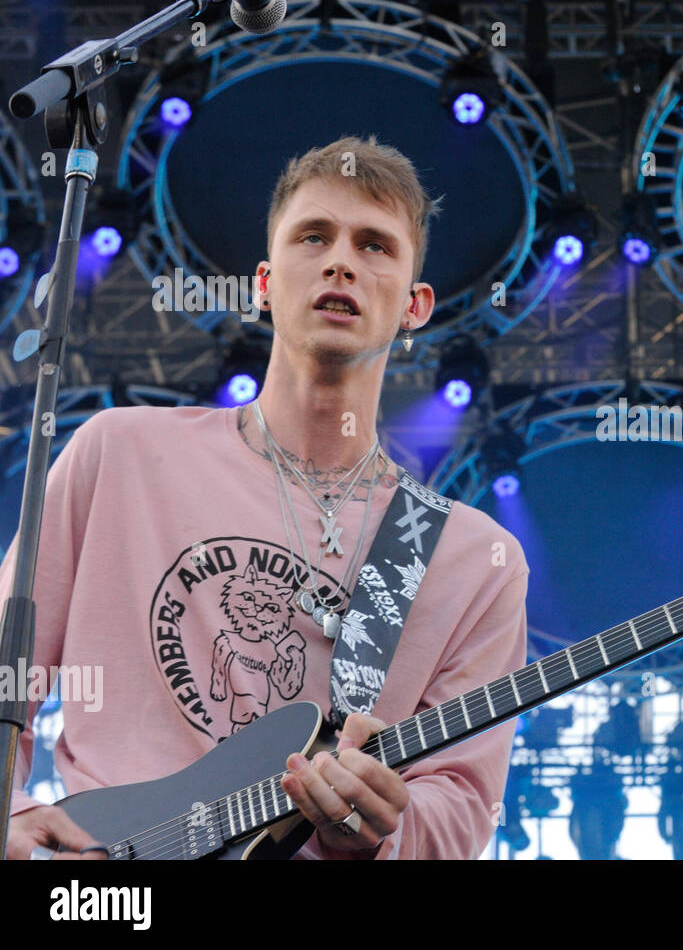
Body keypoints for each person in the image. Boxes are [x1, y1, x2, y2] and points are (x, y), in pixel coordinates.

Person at [2, 136, 528, 860]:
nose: (341, 259)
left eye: (375, 245)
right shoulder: (117, 453)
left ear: (415, 306)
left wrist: (381, 828)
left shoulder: (473, 559)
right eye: (313, 236)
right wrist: (14, 814)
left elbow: (463, 808)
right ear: (264, 282)